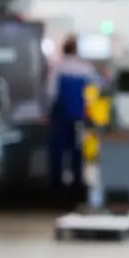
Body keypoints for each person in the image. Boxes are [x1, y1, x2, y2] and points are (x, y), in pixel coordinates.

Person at [46, 36, 98, 193]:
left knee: (58, 150)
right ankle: (78, 182)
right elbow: (97, 85)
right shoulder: (85, 68)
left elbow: (51, 92)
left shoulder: (57, 67)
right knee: (77, 148)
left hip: (61, 114)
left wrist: (48, 111)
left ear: (63, 49)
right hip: (78, 115)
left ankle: (57, 183)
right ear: (77, 50)